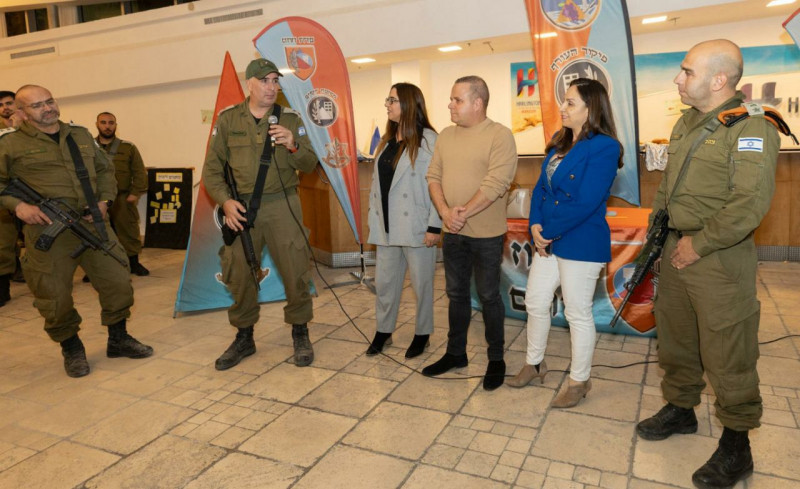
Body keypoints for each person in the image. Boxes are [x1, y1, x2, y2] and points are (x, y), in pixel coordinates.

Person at [635, 39, 779, 489]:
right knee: (676, 337)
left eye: (687, 71)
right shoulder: (686, 123)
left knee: (728, 348)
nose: (677, 79)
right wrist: (657, 234)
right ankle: (681, 409)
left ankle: (737, 444)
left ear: (719, 80)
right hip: (676, 248)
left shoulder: (752, 127)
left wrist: (698, 245)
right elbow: (669, 187)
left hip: (717, 256)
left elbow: (748, 205)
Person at [0, 85, 153, 377]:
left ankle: (118, 338)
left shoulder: (80, 135)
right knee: (53, 296)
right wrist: (18, 206)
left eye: (49, 101)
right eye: (37, 105)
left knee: (118, 281)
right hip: (47, 231)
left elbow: (105, 170)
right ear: (21, 112)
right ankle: (71, 347)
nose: (47, 108)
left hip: (92, 223)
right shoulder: (10, 144)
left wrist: (105, 201)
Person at [507, 78, 622, 408]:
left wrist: (548, 231)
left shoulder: (605, 147)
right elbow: (541, 191)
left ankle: (579, 381)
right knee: (535, 301)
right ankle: (534, 364)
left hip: (581, 241)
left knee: (577, 312)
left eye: (571, 102)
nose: (563, 107)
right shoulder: (559, 143)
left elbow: (587, 201)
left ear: (590, 109)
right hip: (550, 238)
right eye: (564, 101)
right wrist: (534, 225)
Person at [202, 58, 318, 371]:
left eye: (275, 81)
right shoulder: (229, 120)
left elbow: (310, 164)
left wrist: (293, 145)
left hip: (283, 204)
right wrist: (226, 202)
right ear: (249, 84)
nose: (271, 87)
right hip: (241, 209)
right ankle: (244, 336)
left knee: (295, 269)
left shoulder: (290, 118)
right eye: (265, 81)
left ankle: (300, 331)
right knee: (238, 271)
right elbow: (211, 171)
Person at [423, 75, 518, 390]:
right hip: (453, 232)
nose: (450, 105)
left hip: (486, 235)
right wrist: (445, 212)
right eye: (451, 99)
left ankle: (496, 359)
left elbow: (497, 183)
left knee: (489, 295)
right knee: (456, 294)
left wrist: (460, 213)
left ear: (477, 103)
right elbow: (433, 176)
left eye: (457, 100)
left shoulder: (499, 136)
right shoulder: (446, 136)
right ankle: (456, 353)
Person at [366, 83, 441, 358]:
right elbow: (377, 185)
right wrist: (372, 219)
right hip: (385, 226)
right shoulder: (386, 141)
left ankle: (423, 334)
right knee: (385, 284)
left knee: (422, 285)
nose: (387, 105)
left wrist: (435, 225)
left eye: (392, 100)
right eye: (388, 100)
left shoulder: (429, 140)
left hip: (417, 226)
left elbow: (439, 184)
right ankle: (383, 331)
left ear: (408, 104)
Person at [95, 112, 150, 276]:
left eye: (111, 123)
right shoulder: (87, 147)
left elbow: (139, 171)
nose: (107, 126)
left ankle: (133, 263)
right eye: (103, 122)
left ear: (116, 126)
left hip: (121, 198)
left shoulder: (128, 147)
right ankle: (96, 267)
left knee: (129, 231)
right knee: (95, 232)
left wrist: (135, 193)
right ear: (97, 124)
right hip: (96, 199)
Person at [1, 90, 20, 306]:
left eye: (9, 103)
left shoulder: (30, 127)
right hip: (5, 195)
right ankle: (3, 285)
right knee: (3, 242)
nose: (5, 108)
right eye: (0, 105)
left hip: (33, 194)